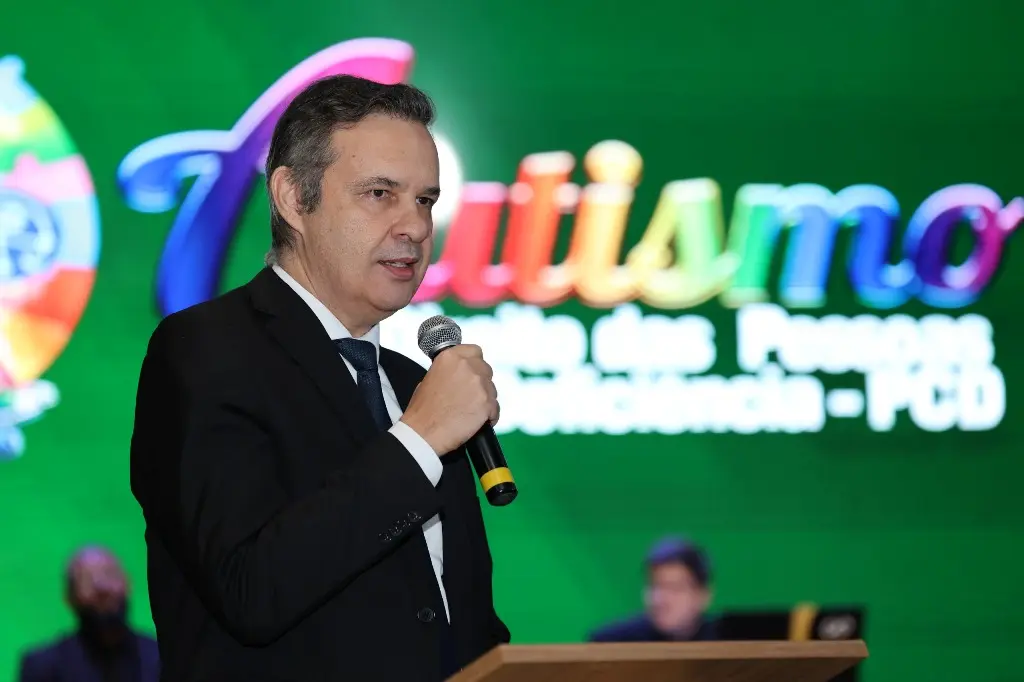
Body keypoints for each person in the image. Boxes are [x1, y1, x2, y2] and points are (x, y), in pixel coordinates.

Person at [130, 75, 510, 682]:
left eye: (426, 200)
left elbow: (458, 622)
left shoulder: (417, 385)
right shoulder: (204, 351)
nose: (414, 225)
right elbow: (250, 590)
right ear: (292, 197)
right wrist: (418, 442)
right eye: (381, 193)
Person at [18, 546, 160, 682]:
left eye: (109, 574)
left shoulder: (161, 659)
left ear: (127, 583)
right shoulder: (43, 667)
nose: (102, 587)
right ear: (69, 597)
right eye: (88, 579)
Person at [589, 537, 717, 642]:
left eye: (674, 588)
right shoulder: (611, 644)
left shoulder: (726, 643)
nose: (659, 599)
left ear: (703, 596)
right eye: (654, 586)